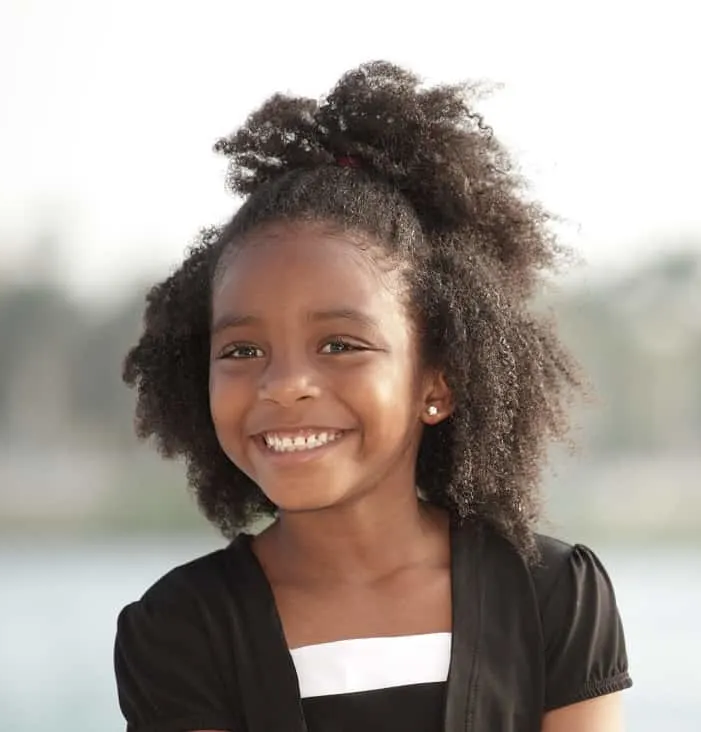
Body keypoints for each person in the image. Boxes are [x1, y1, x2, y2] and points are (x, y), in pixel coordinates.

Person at [113, 61, 632, 732]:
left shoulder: (554, 596)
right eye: (242, 351)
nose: (285, 384)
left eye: (339, 345)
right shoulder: (181, 629)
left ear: (437, 384)